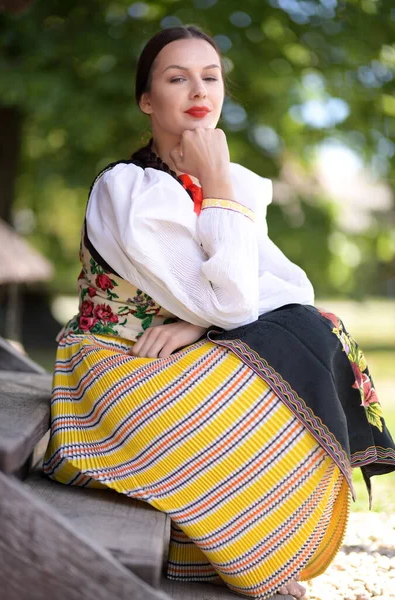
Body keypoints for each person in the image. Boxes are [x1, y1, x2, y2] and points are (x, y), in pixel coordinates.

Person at [43, 25, 395, 600]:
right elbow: (232, 301)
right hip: (114, 368)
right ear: (148, 102)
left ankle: (250, 543)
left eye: (210, 77)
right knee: (284, 354)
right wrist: (217, 186)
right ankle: (251, 555)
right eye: (176, 78)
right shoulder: (129, 189)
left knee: (314, 327)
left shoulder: (227, 186)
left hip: (175, 354)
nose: (197, 89)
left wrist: (195, 323)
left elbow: (291, 285)